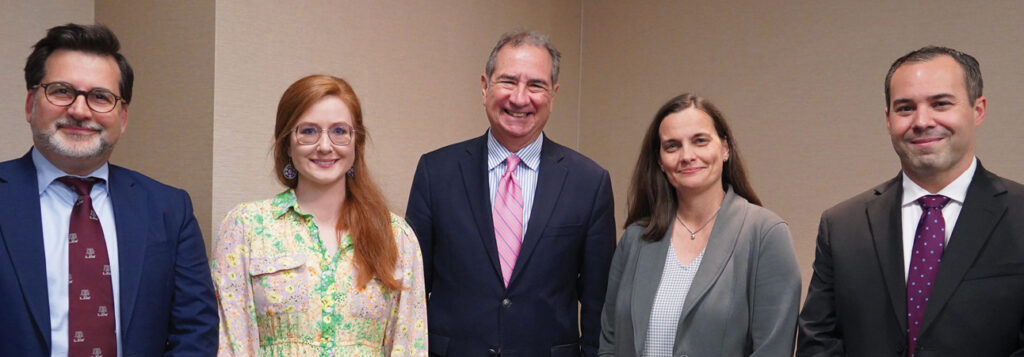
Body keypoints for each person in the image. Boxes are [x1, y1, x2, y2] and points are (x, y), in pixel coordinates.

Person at [0, 23, 218, 356]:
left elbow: (195, 331)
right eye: (61, 91)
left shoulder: (169, 209)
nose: (79, 110)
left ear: (123, 116)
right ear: (31, 103)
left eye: (100, 97)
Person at [797, 46, 1024, 356]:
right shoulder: (842, 227)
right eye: (905, 108)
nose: (922, 121)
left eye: (940, 103)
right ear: (888, 120)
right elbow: (819, 342)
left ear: (978, 109)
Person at [405, 30, 616, 356]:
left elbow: (598, 305)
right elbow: (412, 290)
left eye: (536, 85)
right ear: (484, 86)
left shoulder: (589, 183)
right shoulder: (436, 172)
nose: (520, 98)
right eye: (507, 81)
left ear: (553, 94)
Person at [212, 74, 427, 356]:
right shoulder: (246, 228)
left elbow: (409, 343)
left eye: (339, 131)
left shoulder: (396, 236)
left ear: (355, 143)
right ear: (287, 143)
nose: (325, 146)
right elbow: (230, 343)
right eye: (309, 131)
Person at [599, 93, 801, 356]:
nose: (687, 155)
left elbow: (773, 349)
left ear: (725, 148)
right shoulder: (635, 239)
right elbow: (610, 342)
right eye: (672, 146)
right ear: (660, 161)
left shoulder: (765, 234)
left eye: (700, 141)